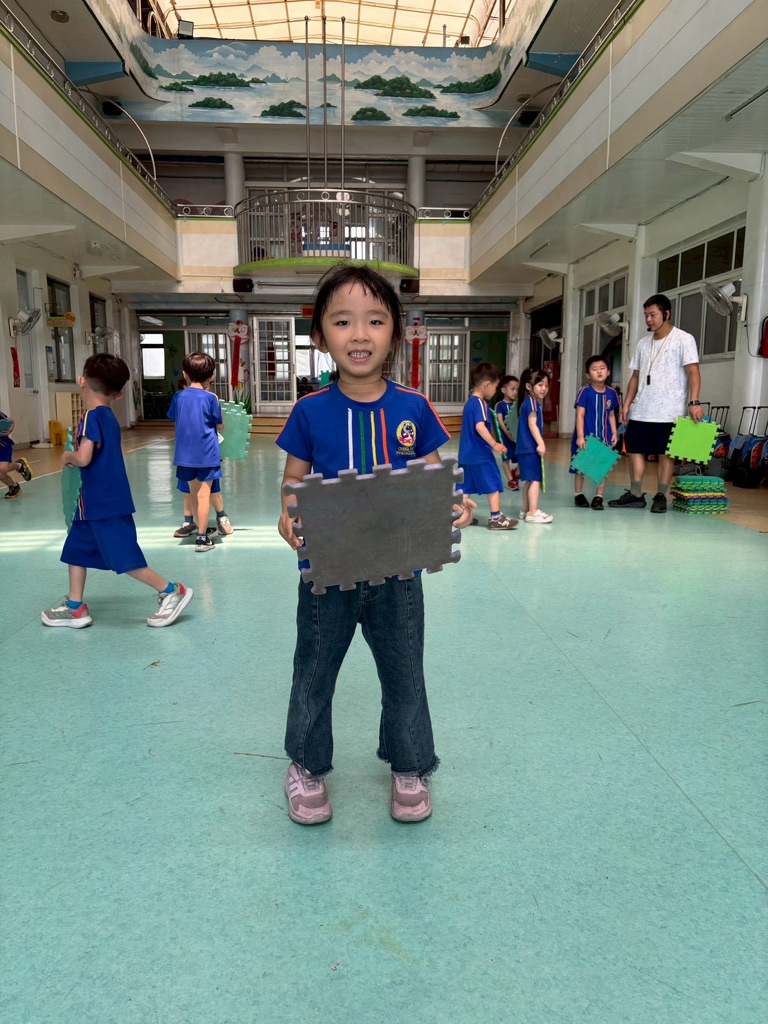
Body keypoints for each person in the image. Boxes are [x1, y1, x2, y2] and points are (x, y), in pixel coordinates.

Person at [276, 263, 475, 826]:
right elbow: (293, 481)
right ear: (320, 336)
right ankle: (306, 766)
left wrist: (456, 507)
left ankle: (410, 765)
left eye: (375, 320)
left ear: (395, 333)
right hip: (327, 573)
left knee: (404, 671)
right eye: (342, 321)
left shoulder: (413, 407)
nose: (359, 334)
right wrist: (289, 515)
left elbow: (436, 482)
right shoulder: (309, 410)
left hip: (398, 573)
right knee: (315, 671)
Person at [41, 354, 193, 629]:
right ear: (120, 393)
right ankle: (75, 607)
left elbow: (84, 458)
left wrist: (67, 456)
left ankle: (172, 590)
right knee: (76, 550)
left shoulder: (90, 416)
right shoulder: (109, 417)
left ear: (82, 381)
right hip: (91, 503)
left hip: (103, 503)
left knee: (124, 556)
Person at [609, 293, 703, 514]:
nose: (648, 319)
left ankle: (660, 495)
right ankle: (636, 494)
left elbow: (694, 372)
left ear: (666, 314)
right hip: (641, 409)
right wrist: (626, 404)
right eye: (646, 315)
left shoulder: (683, 339)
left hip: (669, 411)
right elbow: (635, 376)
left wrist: (694, 401)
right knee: (633, 449)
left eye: (653, 315)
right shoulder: (643, 343)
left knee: (665, 454)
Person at [167, 352, 224, 551]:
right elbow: (219, 424)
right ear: (211, 377)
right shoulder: (211, 398)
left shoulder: (178, 397)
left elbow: (176, 419)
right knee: (203, 495)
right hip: (207, 454)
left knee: (192, 494)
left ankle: (199, 531)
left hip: (184, 455)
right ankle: (202, 537)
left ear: (185, 374)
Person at [170, 380, 233, 538]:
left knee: (211, 490)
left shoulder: (210, 398)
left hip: (206, 453)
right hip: (188, 455)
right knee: (189, 490)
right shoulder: (180, 398)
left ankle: (220, 517)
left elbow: (220, 424)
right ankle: (192, 524)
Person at [457, 363, 517, 530]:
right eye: (496, 387)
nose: (495, 391)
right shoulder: (481, 404)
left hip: (466, 455)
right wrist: (494, 443)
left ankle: (462, 516)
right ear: (487, 384)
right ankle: (496, 518)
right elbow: (480, 426)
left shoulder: (469, 403)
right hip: (481, 454)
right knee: (493, 482)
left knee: (465, 486)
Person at [571, 356, 620, 510]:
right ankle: (578, 494)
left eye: (602, 368)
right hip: (586, 437)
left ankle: (598, 497)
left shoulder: (612, 393)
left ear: (608, 372)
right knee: (581, 466)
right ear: (588, 375)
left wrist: (614, 433)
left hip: (604, 437)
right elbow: (580, 415)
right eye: (594, 369)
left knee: (603, 467)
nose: (599, 371)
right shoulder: (585, 392)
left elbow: (611, 415)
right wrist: (580, 436)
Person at [516, 368, 553, 524]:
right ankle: (533, 511)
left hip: (524, 449)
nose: (544, 388)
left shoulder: (528, 402)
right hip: (530, 448)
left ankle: (525, 510)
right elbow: (532, 425)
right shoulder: (531, 403)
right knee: (535, 479)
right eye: (540, 384)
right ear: (528, 386)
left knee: (530, 480)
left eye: (546, 385)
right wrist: (541, 443)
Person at [494, 374, 520, 490]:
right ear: (504, 390)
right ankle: (511, 481)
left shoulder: (517, 405)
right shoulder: (500, 405)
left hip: (516, 437)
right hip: (505, 438)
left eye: (517, 389)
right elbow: (500, 421)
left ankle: (516, 473)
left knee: (521, 457)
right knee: (506, 460)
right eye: (512, 389)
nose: (515, 392)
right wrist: (507, 433)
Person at [0, 413, 33, 498]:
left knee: (2, 469)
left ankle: (20, 465)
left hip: (3, 446)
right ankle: (14, 487)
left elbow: (10, 420)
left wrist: (10, 430)